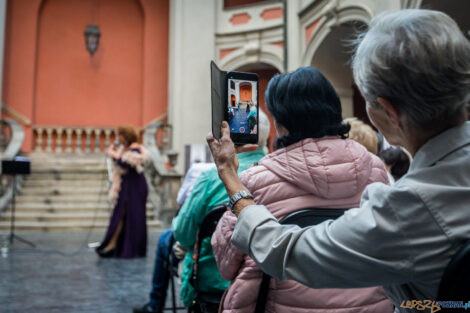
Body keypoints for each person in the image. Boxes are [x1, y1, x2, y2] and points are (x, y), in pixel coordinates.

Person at [206, 9, 470, 312]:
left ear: (388, 111)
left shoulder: (409, 208)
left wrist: (231, 178)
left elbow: (288, 253)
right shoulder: (377, 169)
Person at [212, 67, 393, 313]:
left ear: (281, 121)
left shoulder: (255, 181)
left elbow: (225, 264)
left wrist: (230, 174)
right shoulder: (375, 169)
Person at [171, 111, 270, 312]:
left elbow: (183, 233)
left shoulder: (209, 179)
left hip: (212, 286)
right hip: (266, 285)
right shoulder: (278, 172)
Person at [134, 161, 214, 313]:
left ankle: (155, 304)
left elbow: (182, 232)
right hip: (234, 260)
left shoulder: (203, 173)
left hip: (201, 257)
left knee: (166, 238)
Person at [96, 126, 149, 258]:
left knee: (133, 216)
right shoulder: (124, 149)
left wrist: (114, 154)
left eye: (120, 135)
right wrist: (115, 153)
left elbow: (127, 162)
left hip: (135, 187)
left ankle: (127, 247)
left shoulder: (136, 148)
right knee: (121, 214)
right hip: (126, 186)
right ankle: (113, 245)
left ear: (126, 136)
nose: (118, 138)